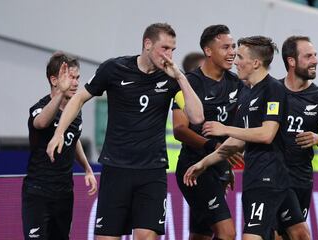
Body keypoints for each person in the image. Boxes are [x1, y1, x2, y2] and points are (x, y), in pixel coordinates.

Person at [47, 23, 204, 240]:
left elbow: (197, 117)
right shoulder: (114, 69)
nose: (169, 55)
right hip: (116, 168)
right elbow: (79, 98)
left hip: (152, 170)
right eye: (164, 48)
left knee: (147, 236)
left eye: (172, 50)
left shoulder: (170, 78)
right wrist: (59, 132)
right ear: (147, 44)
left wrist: (180, 77)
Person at [184, 36, 290, 240]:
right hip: (253, 178)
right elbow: (239, 140)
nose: (235, 61)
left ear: (256, 63)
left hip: (270, 178)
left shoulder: (273, 89)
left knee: (252, 236)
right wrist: (204, 163)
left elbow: (266, 134)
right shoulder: (247, 94)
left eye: (240, 56)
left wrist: (225, 129)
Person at [173, 24, 243, 240]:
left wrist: (224, 163)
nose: (232, 52)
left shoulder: (237, 84)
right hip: (194, 170)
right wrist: (214, 147)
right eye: (225, 47)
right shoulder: (189, 83)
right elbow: (179, 129)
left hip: (218, 168)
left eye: (233, 47)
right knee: (227, 233)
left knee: (200, 235)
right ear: (208, 51)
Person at [22, 52, 97, 240]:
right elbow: (41, 123)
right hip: (38, 193)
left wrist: (87, 169)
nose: (75, 82)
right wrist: (60, 94)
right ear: (54, 80)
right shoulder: (40, 108)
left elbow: (74, 138)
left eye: (78, 77)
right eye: (70, 77)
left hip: (64, 193)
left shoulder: (75, 111)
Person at [275, 36, 318, 240]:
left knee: (283, 236)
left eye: (315, 55)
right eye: (308, 56)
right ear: (291, 61)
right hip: (274, 177)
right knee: (301, 234)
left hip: (302, 180)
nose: (315, 60)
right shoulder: (272, 91)